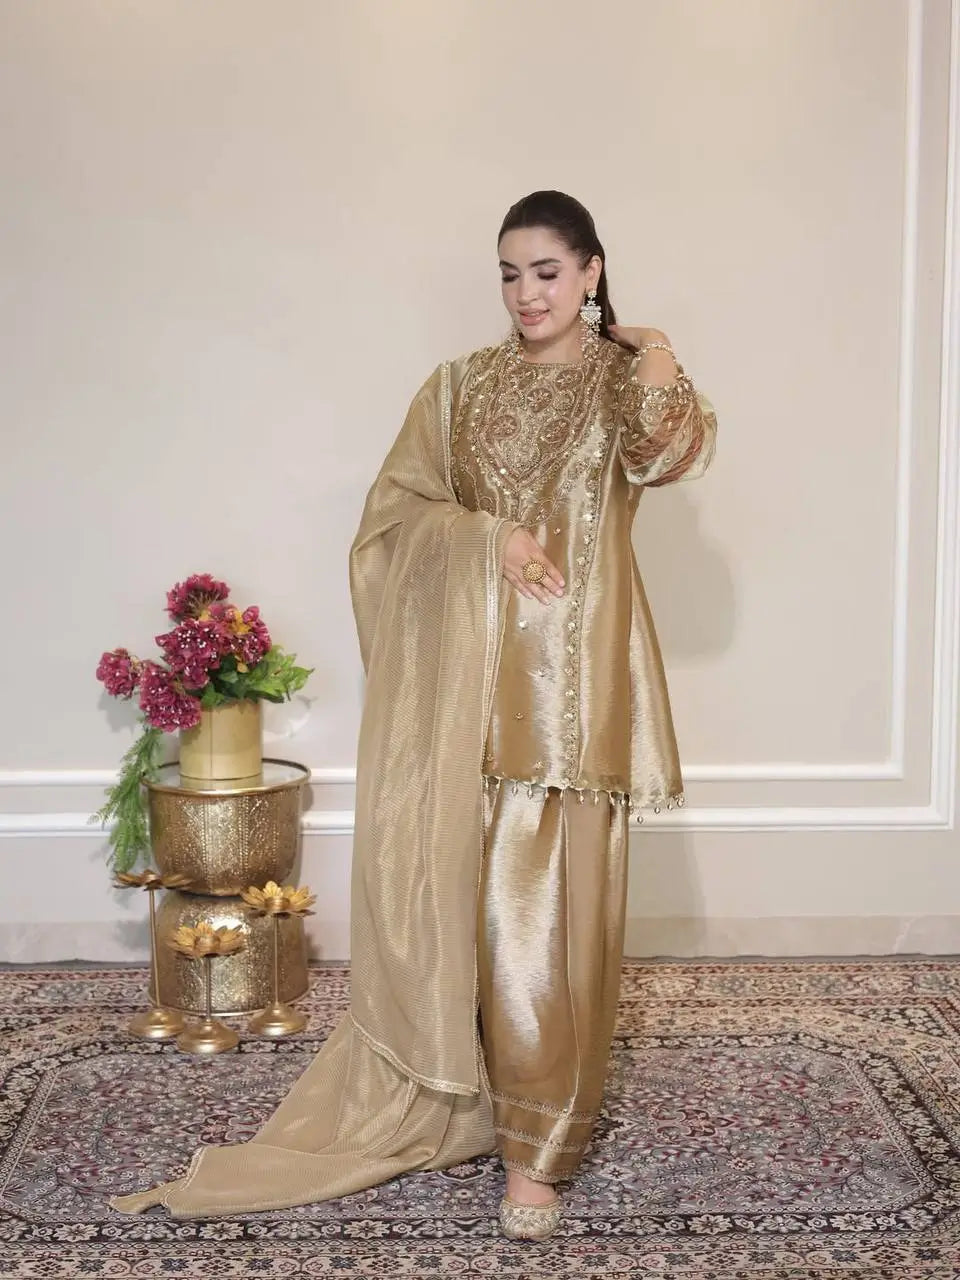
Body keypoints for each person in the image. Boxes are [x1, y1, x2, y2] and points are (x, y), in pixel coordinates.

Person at [109, 190, 716, 1241]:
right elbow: (391, 521)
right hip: (460, 695)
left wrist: (655, 349)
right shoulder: (459, 387)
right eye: (510, 274)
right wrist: (487, 539)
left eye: (548, 272)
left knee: (546, 933)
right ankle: (461, 1097)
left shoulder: (624, 384)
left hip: (570, 699)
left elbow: (666, 455)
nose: (527, 293)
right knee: (461, 918)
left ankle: (538, 1149)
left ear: (591, 272)